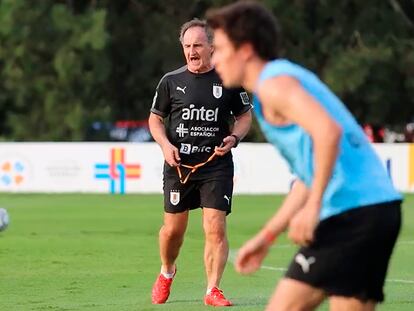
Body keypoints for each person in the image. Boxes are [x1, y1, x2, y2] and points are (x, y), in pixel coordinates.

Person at [206, 2, 402, 311]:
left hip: (352, 215)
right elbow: (308, 175)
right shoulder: (279, 81)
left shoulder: (274, 85)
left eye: (218, 48)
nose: (213, 58)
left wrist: (313, 208)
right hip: (375, 210)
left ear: (245, 50)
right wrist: (267, 236)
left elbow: (328, 132)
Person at [148, 18, 252, 306]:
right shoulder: (171, 81)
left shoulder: (228, 79)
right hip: (179, 164)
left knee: (215, 226)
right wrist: (165, 146)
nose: (191, 51)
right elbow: (155, 118)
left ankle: (212, 289)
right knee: (172, 231)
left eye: (197, 45)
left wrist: (234, 138)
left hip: (216, 165)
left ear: (211, 47)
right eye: (187, 46)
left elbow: (244, 116)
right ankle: (167, 271)